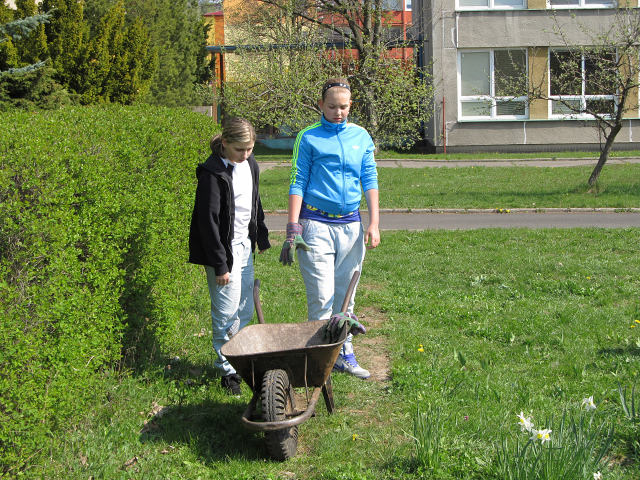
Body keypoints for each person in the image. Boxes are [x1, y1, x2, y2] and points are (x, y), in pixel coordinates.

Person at [281, 78, 380, 379]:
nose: (339, 113)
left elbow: (369, 178)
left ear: (351, 106)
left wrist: (374, 223)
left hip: (350, 226)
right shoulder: (308, 137)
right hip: (315, 226)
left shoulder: (361, 136)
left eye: (344, 107)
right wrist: (293, 227)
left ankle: (343, 352)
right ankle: (319, 360)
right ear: (321, 105)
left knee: (346, 297)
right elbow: (297, 179)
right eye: (333, 107)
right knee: (322, 298)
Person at [189, 117, 270, 395]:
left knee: (244, 307)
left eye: (250, 149)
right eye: (239, 150)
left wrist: (260, 236)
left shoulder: (250, 165)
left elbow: (255, 202)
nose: (245, 155)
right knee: (225, 312)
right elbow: (208, 223)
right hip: (223, 252)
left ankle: (238, 358)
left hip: (244, 246)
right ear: (224, 143)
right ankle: (228, 371)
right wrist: (220, 264)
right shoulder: (212, 174)